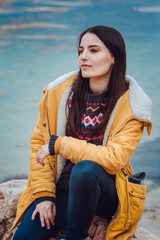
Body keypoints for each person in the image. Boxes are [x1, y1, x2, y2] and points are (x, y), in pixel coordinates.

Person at [12, 25, 152, 240]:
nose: (84, 57)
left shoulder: (132, 105)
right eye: (81, 51)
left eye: (93, 50)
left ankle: (74, 237)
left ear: (114, 56)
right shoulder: (60, 93)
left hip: (104, 193)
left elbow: (114, 159)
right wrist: (44, 195)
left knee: (85, 169)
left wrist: (60, 144)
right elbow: (38, 144)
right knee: (24, 237)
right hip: (64, 190)